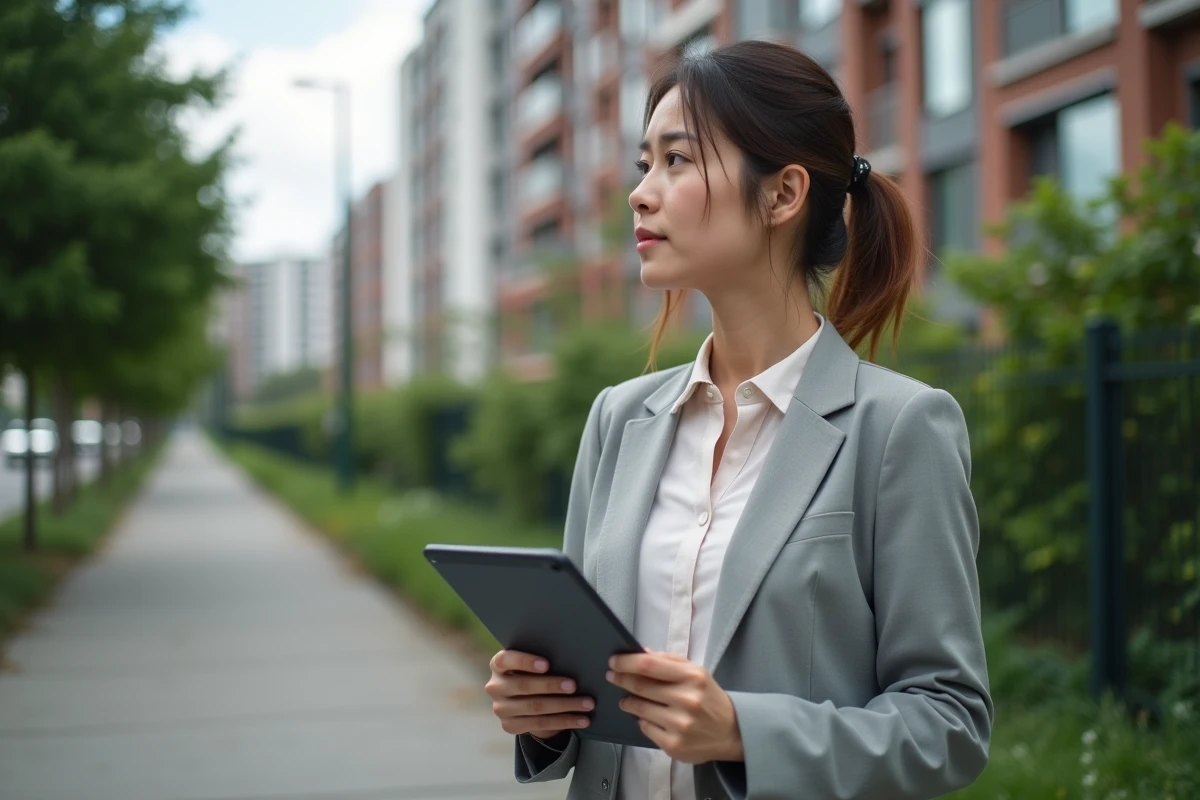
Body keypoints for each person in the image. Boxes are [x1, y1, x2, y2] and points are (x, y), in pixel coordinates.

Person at [484, 40, 993, 800]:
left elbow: (949, 724)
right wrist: (547, 713)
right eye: (642, 164)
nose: (641, 193)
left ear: (783, 195)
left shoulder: (901, 428)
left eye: (677, 160)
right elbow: (594, 690)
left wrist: (742, 733)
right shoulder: (617, 420)